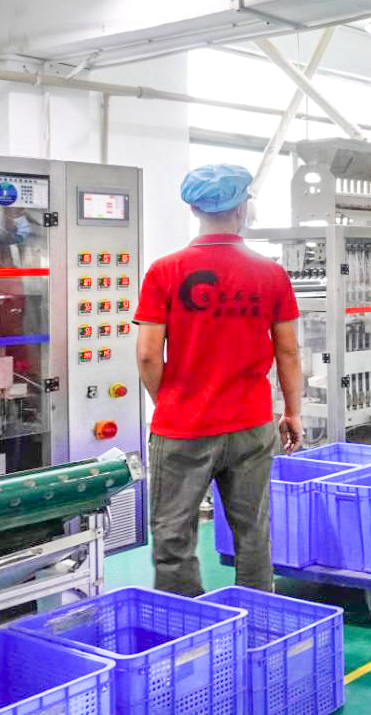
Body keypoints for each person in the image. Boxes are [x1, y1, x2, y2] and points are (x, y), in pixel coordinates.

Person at [135, 164, 304, 597]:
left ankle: (188, 629)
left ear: (193, 209)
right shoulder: (271, 274)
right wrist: (293, 412)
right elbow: (287, 351)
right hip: (251, 424)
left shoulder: (164, 271)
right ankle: (257, 618)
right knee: (253, 534)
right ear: (243, 208)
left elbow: (149, 354)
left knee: (174, 537)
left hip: (183, 426)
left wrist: (169, 401)